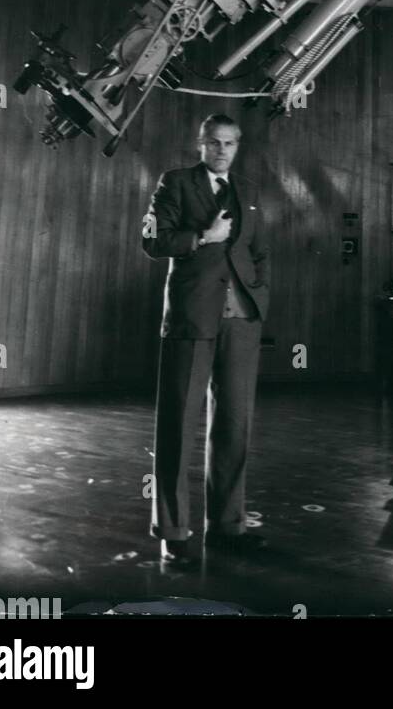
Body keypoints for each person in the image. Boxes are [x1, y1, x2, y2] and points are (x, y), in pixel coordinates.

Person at [142, 113, 271, 566]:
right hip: (192, 319)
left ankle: (228, 526)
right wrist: (203, 236)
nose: (222, 151)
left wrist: (258, 298)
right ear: (200, 144)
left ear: (238, 147)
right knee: (178, 423)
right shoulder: (174, 182)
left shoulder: (250, 191)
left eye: (230, 144)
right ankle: (174, 531)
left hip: (241, 320)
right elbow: (153, 240)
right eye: (214, 143)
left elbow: (258, 251)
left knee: (236, 424)